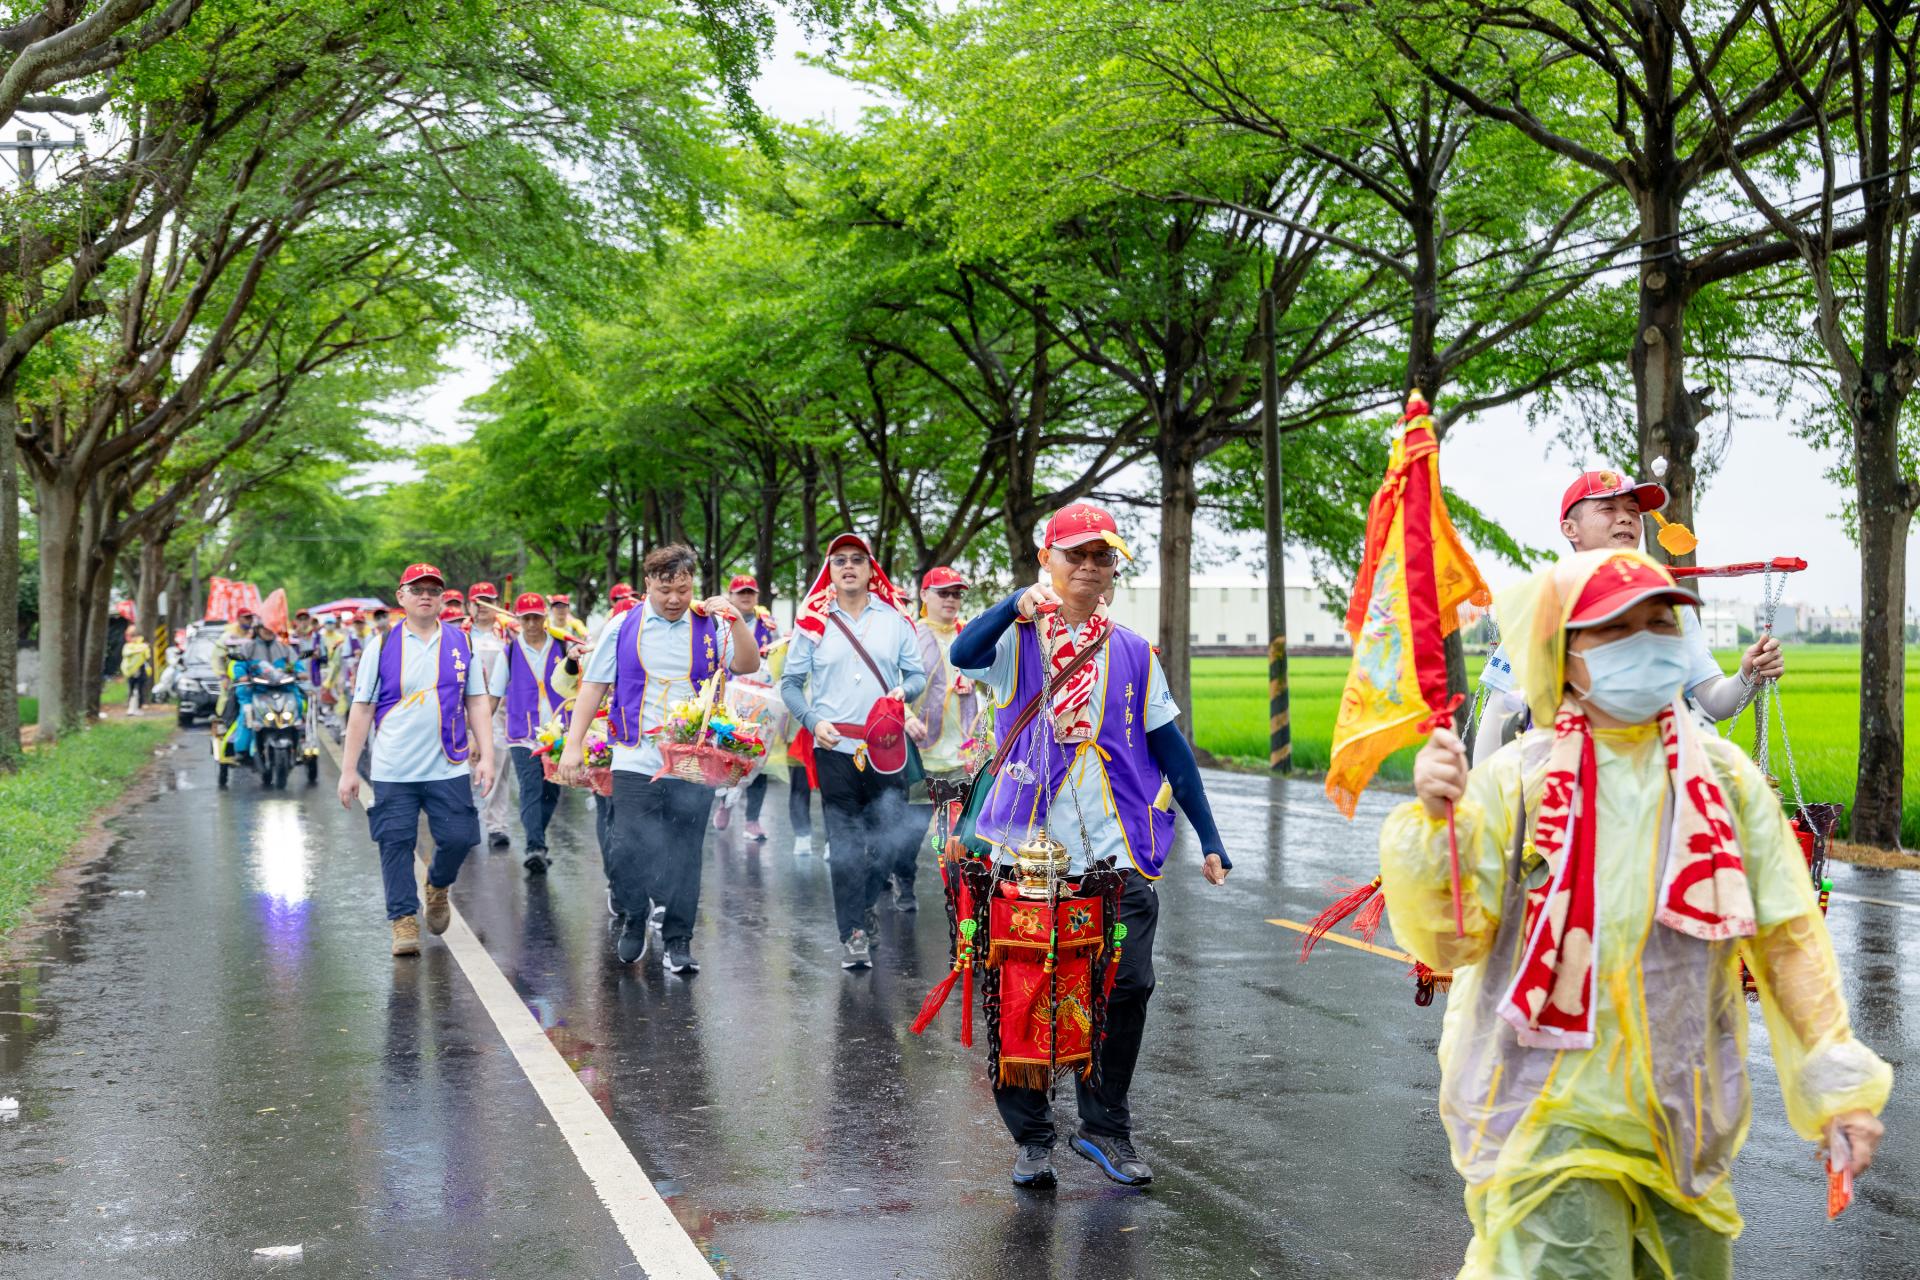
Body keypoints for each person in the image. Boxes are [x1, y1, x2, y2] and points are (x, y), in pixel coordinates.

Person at [1387, 549, 1889, 1279]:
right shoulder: (1515, 783)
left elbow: (1787, 941)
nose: (1650, 641)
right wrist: (1437, 827)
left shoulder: (1724, 783)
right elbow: (1449, 934)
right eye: (1618, 628)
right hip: (1542, 1117)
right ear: (1564, 653)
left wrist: (1839, 1088)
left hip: (1683, 1118)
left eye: (1662, 622)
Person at [950, 501, 1230, 1191]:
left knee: (1126, 986)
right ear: (1046, 560)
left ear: (1111, 573)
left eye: (1101, 557)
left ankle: (1104, 1129)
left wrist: (1211, 838)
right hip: (1025, 849)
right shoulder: (1017, 637)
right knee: (1022, 991)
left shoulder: (1133, 650)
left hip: (1116, 855)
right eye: (1075, 553)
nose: (1088, 566)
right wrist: (1012, 606)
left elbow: (1173, 751)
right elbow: (962, 654)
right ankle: (1032, 1137)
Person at [1472, 470, 1789, 764]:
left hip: (1660, 788)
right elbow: (1500, 714)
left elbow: (1715, 703)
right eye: (1608, 509)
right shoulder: (1545, 607)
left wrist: (1749, 676)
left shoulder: (1668, 604)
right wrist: (1483, 810)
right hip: (1573, 793)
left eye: (1633, 511)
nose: (1625, 519)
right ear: (1570, 529)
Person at [557, 545, 759, 973]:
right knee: (627, 844)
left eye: (683, 589)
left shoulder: (711, 624)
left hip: (693, 760)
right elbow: (593, 687)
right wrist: (573, 747)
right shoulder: (622, 626)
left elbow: (747, 662)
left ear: (693, 586)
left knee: (685, 851)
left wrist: (737, 620)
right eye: (665, 589)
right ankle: (633, 914)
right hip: (634, 756)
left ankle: (679, 940)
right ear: (648, 583)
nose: (674, 599)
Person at [337, 564, 504, 957]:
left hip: (448, 763)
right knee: (394, 842)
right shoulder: (380, 646)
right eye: (418, 589)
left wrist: (487, 756)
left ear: (444, 598)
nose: (426, 595)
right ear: (402, 597)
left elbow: (477, 701)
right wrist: (349, 770)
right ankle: (403, 919)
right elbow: (361, 709)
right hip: (394, 768)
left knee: (459, 837)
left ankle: (438, 884)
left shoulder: (461, 643)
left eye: (434, 590)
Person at [780, 533, 928, 970]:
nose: (848, 567)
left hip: (887, 748)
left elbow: (916, 675)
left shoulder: (895, 619)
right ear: (830, 569)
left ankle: (864, 906)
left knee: (888, 841)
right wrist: (811, 721)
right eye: (840, 560)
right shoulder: (812, 622)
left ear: (869, 569)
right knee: (844, 844)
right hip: (835, 747)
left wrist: (905, 691)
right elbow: (789, 685)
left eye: (856, 560)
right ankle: (854, 932)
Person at [894, 565, 981, 911]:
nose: (951, 599)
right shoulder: (909, 636)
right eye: (943, 592)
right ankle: (904, 881)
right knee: (911, 831)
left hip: (961, 755)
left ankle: (960, 899)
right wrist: (905, 715)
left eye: (957, 593)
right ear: (924, 596)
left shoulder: (968, 635)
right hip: (919, 754)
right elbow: (890, 683)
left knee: (959, 836)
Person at [713, 573, 780, 840]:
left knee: (758, 758)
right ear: (731, 596)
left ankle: (752, 820)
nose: (745, 596)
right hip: (730, 697)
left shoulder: (768, 624)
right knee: (728, 755)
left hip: (762, 700)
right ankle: (725, 803)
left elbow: (779, 657)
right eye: (740, 592)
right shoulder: (720, 622)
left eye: (750, 592)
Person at [503, 592, 566, 873]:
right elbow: (492, 694)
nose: (531, 624)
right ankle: (535, 847)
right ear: (518, 620)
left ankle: (537, 838)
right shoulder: (510, 651)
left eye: (536, 618)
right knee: (531, 788)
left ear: (544, 618)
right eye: (525, 618)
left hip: (559, 731)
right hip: (522, 733)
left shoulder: (563, 646)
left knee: (552, 791)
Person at [463, 583, 515, 851]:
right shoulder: (459, 632)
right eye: (477, 601)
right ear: (469, 605)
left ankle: (496, 825)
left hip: (500, 709)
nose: (482, 606)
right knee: (464, 766)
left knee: (497, 764)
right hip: (464, 707)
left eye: (487, 601)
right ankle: (466, 820)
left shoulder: (508, 632)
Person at [120, 629, 153, 714]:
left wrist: (144, 648)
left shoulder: (143, 646)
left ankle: (138, 707)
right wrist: (137, 651)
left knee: (139, 689)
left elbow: (147, 656)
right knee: (131, 689)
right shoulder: (128, 646)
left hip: (140, 670)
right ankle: (131, 708)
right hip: (130, 671)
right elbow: (126, 653)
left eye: (134, 636)